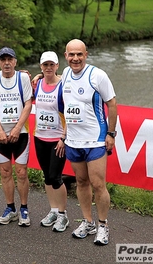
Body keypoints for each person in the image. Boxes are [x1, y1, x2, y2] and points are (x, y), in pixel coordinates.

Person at [62, 39, 117, 245]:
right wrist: (39, 76)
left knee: (98, 184)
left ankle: (103, 225)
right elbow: (55, 81)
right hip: (73, 140)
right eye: (71, 54)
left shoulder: (98, 75)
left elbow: (112, 104)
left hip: (95, 139)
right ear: (66, 56)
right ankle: (88, 221)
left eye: (79, 54)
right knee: (82, 182)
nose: (75, 58)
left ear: (86, 54)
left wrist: (111, 133)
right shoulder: (66, 74)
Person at [0, 47, 33, 227]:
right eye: (3, 59)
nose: (6, 63)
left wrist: (16, 128)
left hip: (20, 134)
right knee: (5, 172)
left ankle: (23, 208)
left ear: (15, 61)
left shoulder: (22, 78)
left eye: (10, 59)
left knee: (21, 173)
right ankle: (10, 208)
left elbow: (28, 104)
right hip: (0, 135)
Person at [33, 51, 69, 232]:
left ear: (57, 66)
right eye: (45, 65)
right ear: (41, 67)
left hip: (58, 140)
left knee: (56, 177)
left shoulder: (64, 85)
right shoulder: (37, 83)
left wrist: (64, 138)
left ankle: (63, 215)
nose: (48, 68)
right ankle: (53, 210)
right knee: (47, 176)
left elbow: (70, 114)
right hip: (40, 137)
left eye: (51, 65)